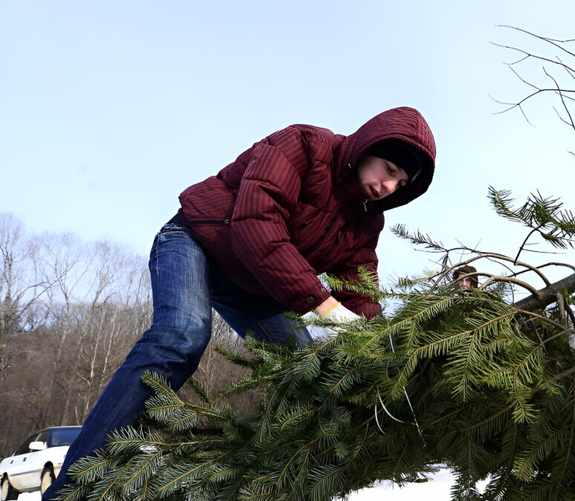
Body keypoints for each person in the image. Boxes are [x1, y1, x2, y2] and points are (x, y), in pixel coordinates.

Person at [43, 106, 437, 499]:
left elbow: (361, 288)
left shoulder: (366, 222)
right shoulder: (303, 145)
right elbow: (256, 222)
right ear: (367, 147)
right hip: (196, 243)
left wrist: (389, 347)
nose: (388, 187)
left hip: (254, 287)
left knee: (307, 367)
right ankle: (73, 488)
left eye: (400, 183)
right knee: (182, 334)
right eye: (388, 169)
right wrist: (324, 305)